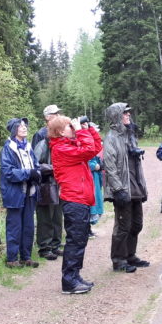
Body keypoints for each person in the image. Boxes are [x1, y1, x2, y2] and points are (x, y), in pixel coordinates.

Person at [48, 115, 103, 294]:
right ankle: (69, 281)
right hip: (74, 199)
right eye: (69, 126)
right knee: (75, 241)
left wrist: (88, 129)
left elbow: (95, 148)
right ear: (60, 132)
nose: (72, 128)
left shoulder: (70, 145)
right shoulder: (60, 148)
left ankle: (74, 275)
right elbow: (88, 150)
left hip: (80, 199)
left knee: (80, 240)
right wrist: (80, 131)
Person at [102, 102, 149, 273]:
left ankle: (130, 255)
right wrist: (118, 189)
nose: (128, 115)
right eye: (124, 113)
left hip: (134, 186)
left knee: (137, 224)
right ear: (116, 116)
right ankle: (119, 259)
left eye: (129, 112)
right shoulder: (111, 138)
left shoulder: (130, 135)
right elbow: (110, 166)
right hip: (122, 188)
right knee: (123, 226)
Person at [0, 117, 41, 269]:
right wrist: (29, 173)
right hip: (14, 193)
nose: (24, 128)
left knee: (28, 226)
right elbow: (9, 172)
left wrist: (37, 173)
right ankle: (12, 259)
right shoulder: (8, 149)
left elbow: (36, 166)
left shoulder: (28, 147)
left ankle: (26, 257)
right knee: (14, 227)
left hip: (29, 192)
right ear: (14, 130)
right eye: (20, 126)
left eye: (25, 126)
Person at [32, 105, 64, 260]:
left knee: (57, 215)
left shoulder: (61, 133)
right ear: (47, 117)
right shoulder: (41, 135)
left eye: (58, 113)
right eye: (55, 113)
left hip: (58, 181)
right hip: (45, 183)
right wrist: (53, 168)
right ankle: (45, 247)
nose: (58, 115)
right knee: (46, 216)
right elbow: (35, 161)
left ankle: (55, 244)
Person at [81, 116, 104, 237]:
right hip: (88, 177)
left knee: (93, 202)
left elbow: (97, 148)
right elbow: (86, 160)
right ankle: (85, 229)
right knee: (89, 204)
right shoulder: (81, 142)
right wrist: (95, 166)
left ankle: (88, 228)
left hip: (94, 177)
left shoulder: (93, 143)